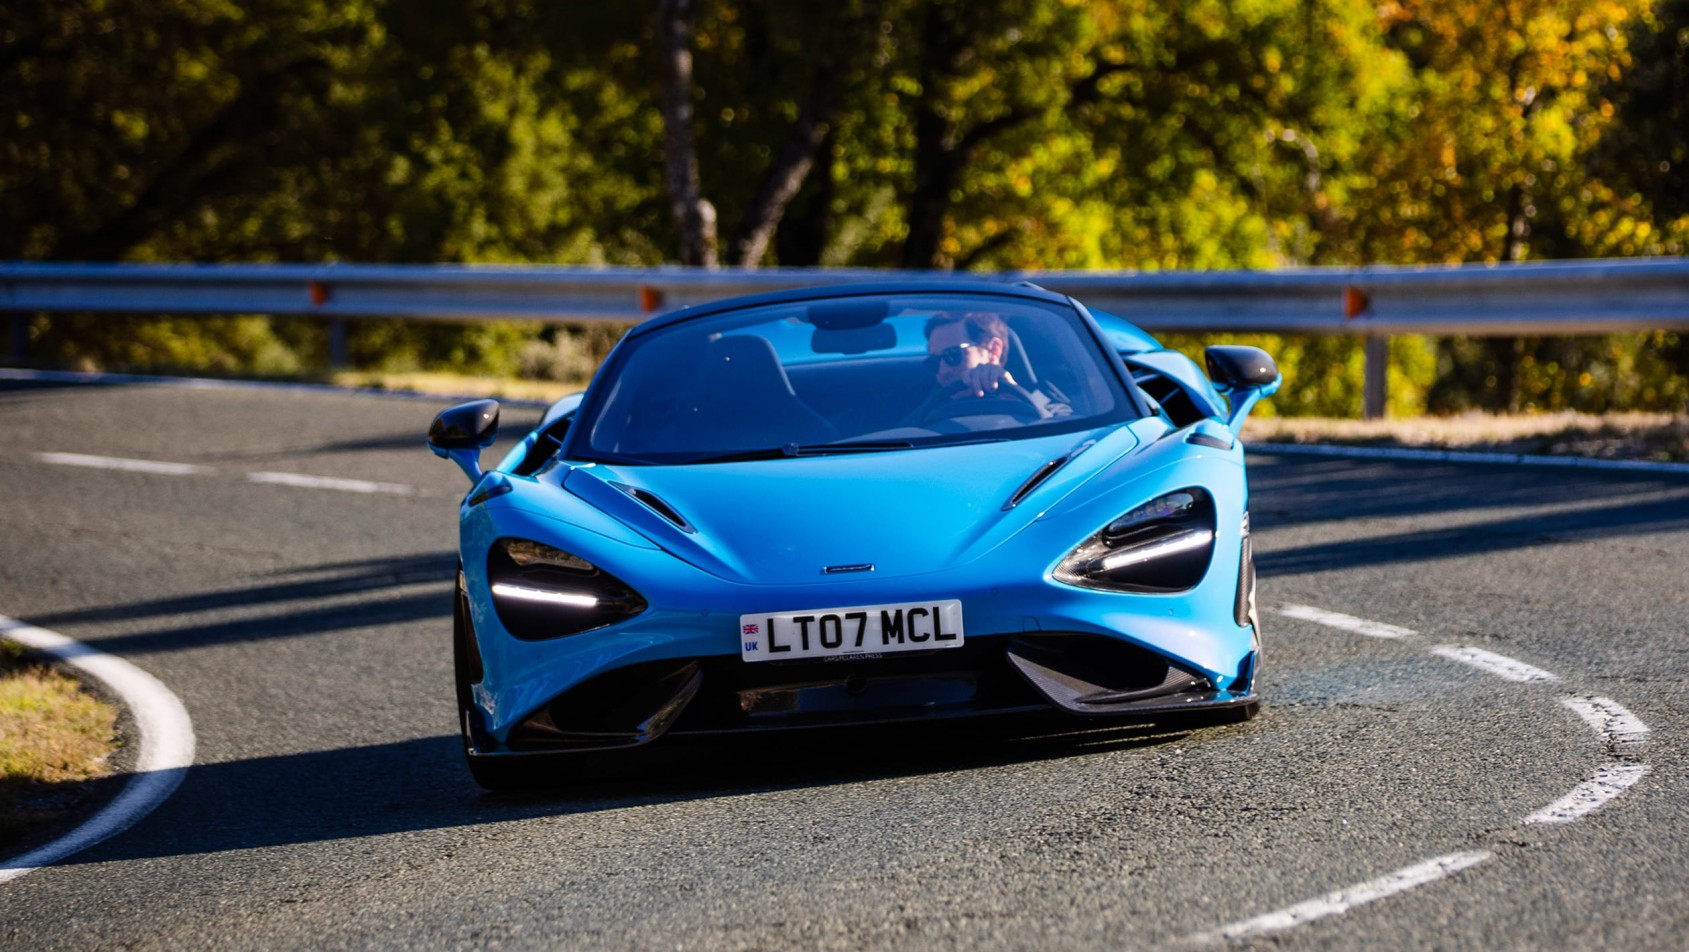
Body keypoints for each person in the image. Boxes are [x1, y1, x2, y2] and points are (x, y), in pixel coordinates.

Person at [921, 311, 1071, 417]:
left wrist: (1014, 394)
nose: (942, 371)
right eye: (934, 361)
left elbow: (1065, 425)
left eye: (952, 355)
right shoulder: (924, 407)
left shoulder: (1040, 397)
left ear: (993, 350)